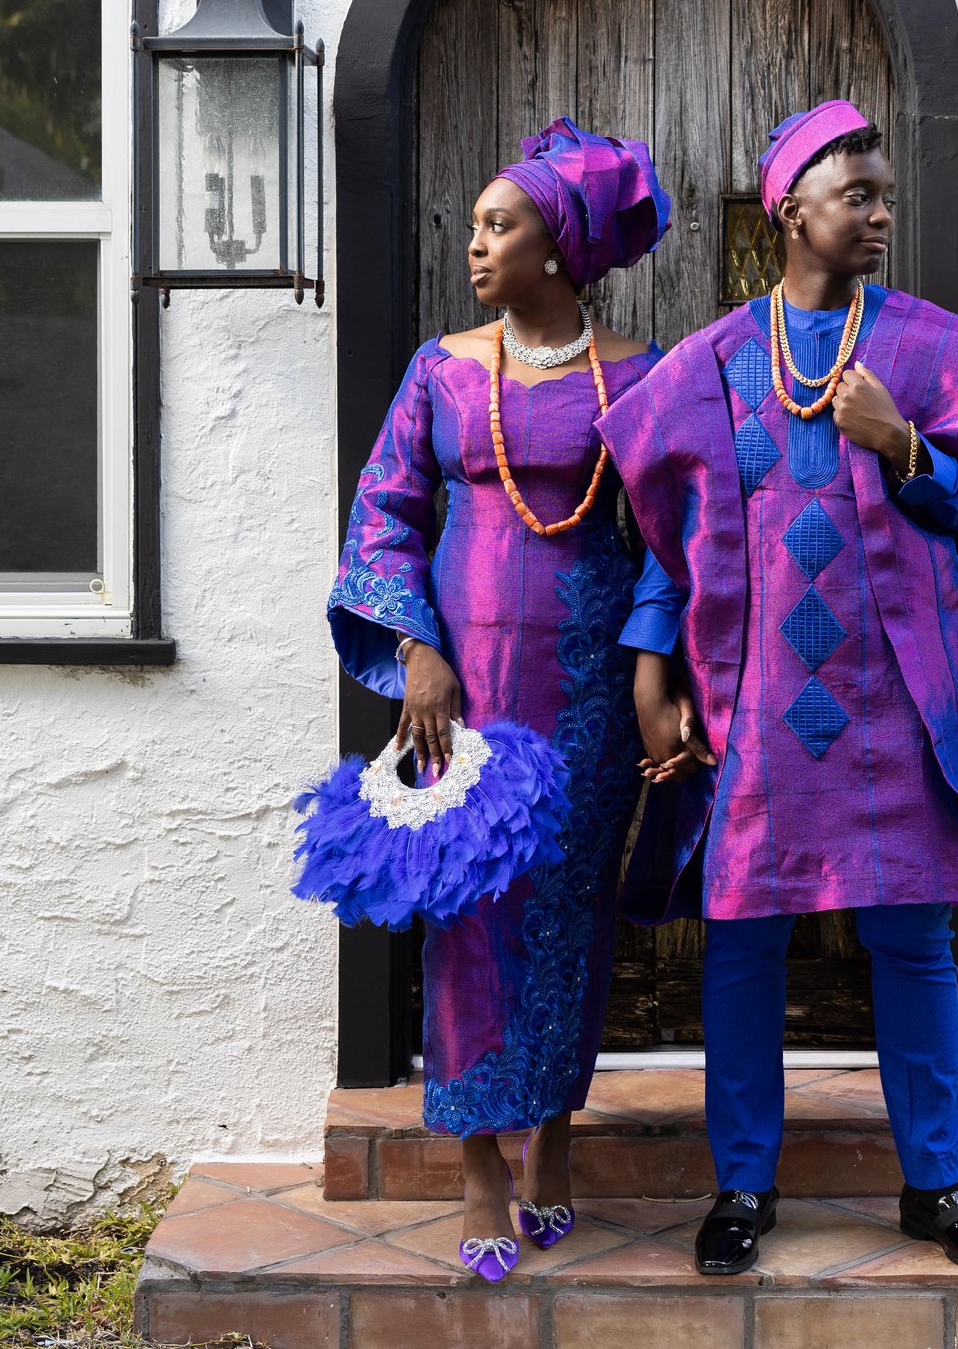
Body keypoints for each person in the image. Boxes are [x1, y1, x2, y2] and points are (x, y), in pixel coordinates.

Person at [599, 101, 958, 1277]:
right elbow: (673, 539)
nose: (878, 211)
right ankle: (743, 1186)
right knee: (743, 938)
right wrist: (652, 670)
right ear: (789, 211)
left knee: (912, 936)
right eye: (855, 194)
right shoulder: (711, 366)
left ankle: (932, 1189)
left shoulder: (922, 353)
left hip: (897, 704)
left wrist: (903, 443)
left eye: (882, 194)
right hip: (755, 704)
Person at [327, 119, 668, 1284]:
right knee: (467, 913)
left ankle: (556, 1131)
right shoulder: (441, 366)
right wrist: (415, 645)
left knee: (569, 914)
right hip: (458, 695)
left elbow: (671, 545)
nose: (472, 243)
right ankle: (480, 1162)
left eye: (496, 224)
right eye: (472, 224)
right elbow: (386, 509)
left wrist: (653, 675)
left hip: (583, 695)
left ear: (557, 245)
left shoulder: (637, 374)